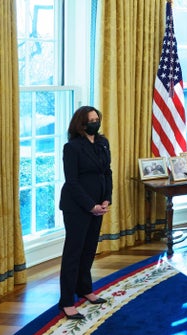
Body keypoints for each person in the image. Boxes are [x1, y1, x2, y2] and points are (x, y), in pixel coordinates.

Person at [57, 106, 112, 319]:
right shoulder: (72, 147)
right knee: (74, 252)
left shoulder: (102, 143)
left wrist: (107, 198)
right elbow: (72, 182)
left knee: (89, 250)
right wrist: (91, 205)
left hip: (99, 206)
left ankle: (85, 289)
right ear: (81, 123)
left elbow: (107, 172)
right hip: (77, 208)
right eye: (90, 120)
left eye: (97, 119)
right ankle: (66, 301)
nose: (94, 122)